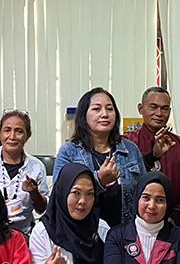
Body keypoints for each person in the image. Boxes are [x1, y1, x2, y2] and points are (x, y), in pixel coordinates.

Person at [54, 88, 146, 227]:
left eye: (109, 109)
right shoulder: (69, 151)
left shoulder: (130, 149)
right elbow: (59, 196)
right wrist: (98, 181)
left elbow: (144, 191)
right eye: (97, 109)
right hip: (82, 231)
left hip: (124, 231)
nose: (105, 114)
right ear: (84, 115)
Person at [123, 87, 180, 230]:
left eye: (164, 109)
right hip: (129, 226)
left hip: (173, 227)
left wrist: (176, 217)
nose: (159, 113)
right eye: (153, 107)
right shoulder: (125, 144)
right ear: (140, 108)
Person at [0, 110, 48, 238]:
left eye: (19, 131)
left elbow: (42, 209)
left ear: (28, 136)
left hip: (23, 236)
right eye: (7, 130)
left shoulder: (36, 166)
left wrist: (34, 192)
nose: (12, 137)